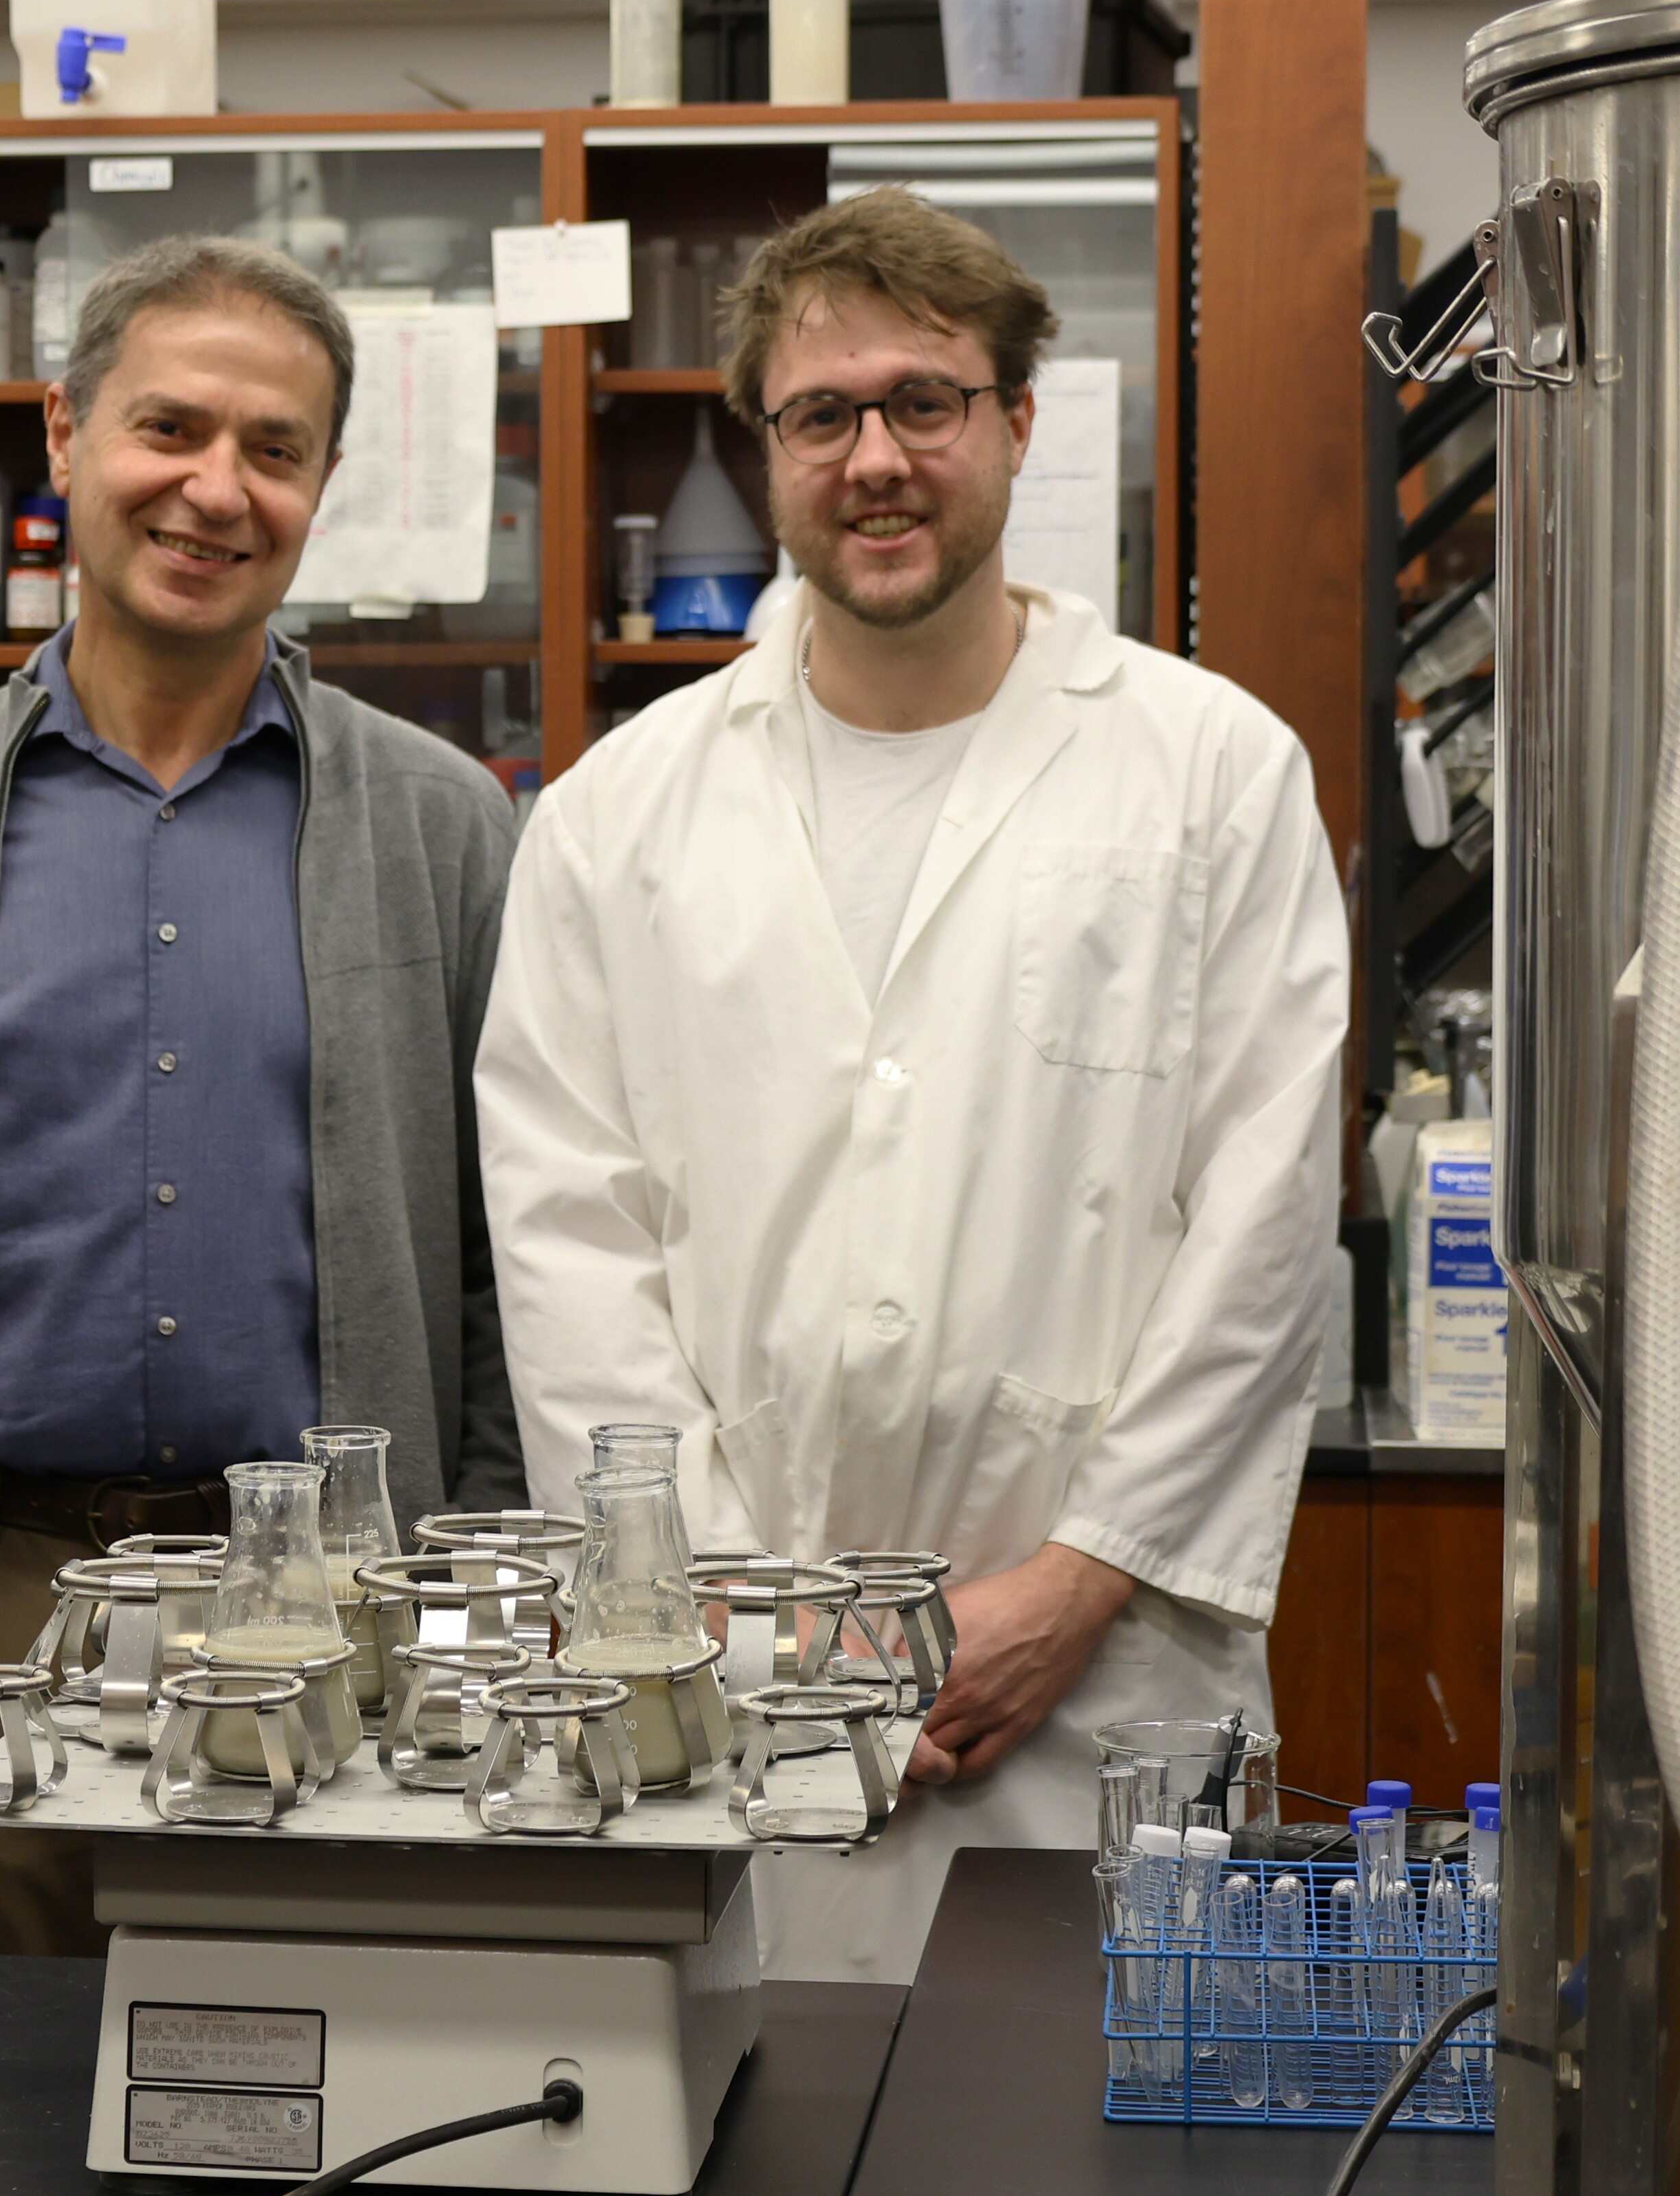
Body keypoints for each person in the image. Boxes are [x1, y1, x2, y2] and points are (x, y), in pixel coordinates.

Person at [476, 188, 1348, 1983]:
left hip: (1096, 1682)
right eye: (822, 416)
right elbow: (571, 1248)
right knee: (740, 2137)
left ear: (1019, 422)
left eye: (926, 403)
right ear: (767, 449)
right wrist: (730, 1610)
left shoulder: (1208, 776)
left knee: (1089, 2160)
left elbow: (1262, 1234)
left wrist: (1076, 1581)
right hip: (726, 1687)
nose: (876, 458)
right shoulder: (616, 819)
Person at [0, 233, 526, 1955]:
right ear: (65, 433)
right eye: (170, 429)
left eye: (276, 449)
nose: (215, 489)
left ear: (323, 482)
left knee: (313, 2093)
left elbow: (497, 1252)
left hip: (338, 1606)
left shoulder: (440, 824)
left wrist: (456, 1589)